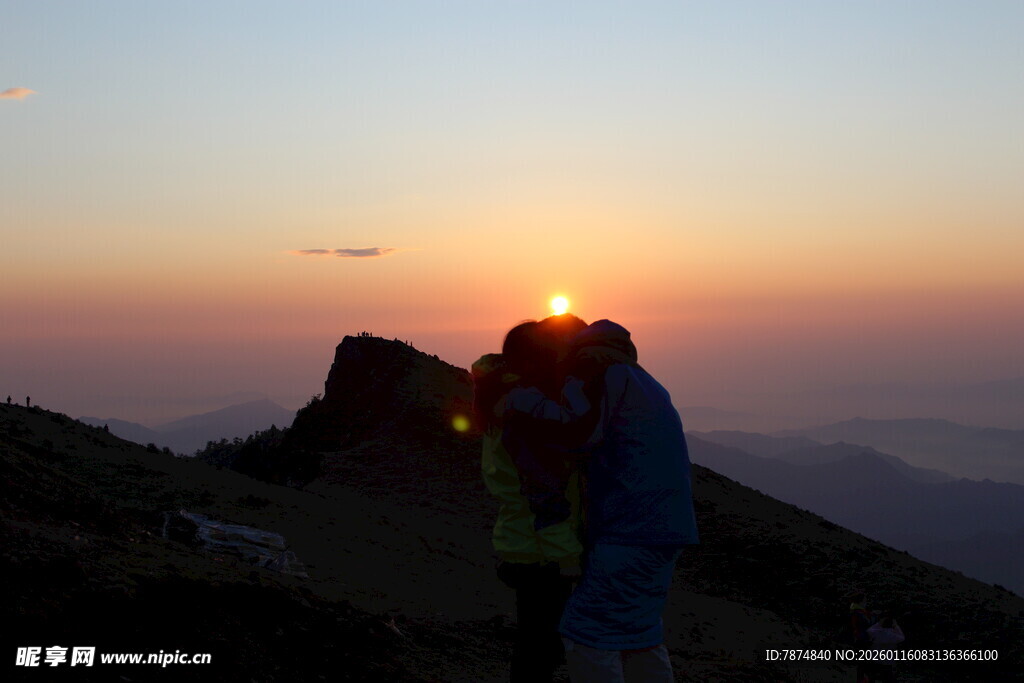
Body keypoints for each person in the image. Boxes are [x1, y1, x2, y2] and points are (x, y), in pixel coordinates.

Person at [501, 319, 699, 683]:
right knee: (637, 633)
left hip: (630, 528)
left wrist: (527, 403)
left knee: (588, 632)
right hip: (669, 525)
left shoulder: (599, 372)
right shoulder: (645, 381)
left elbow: (578, 433)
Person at [472, 317, 587, 683]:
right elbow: (543, 491)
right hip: (541, 550)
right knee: (541, 651)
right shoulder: (524, 408)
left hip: (524, 542)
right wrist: (565, 556)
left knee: (538, 647)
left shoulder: (505, 397)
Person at [865, 612, 904, 683]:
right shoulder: (893, 635)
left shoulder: (876, 632)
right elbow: (902, 638)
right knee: (887, 679)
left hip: (875, 660)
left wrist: (879, 624)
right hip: (888, 662)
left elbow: (869, 631)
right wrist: (896, 626)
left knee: (872, 678)